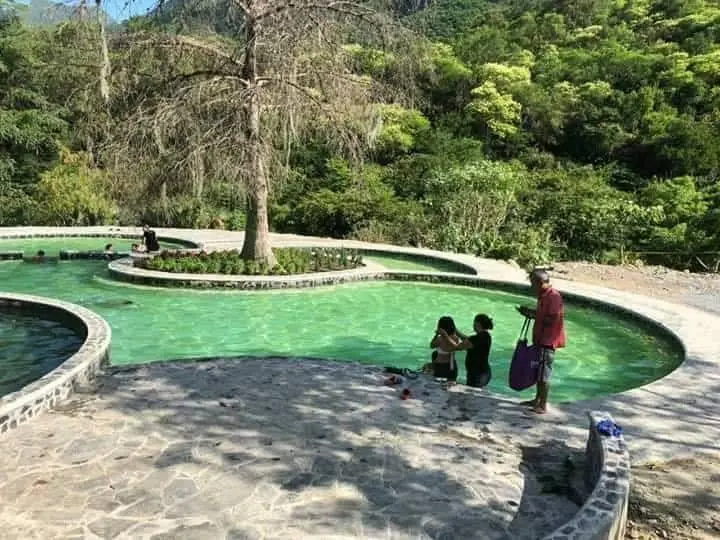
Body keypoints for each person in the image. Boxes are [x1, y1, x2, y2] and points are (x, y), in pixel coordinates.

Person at [516, 269, 566, 414]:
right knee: (538, 372)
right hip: (541, 339)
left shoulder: (553, 297)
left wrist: (534, 315)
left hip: (548, 341)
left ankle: (543, 405)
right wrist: (530, 313)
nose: (531, 286)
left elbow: (551, 318)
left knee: (544, 374)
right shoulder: (544, 296)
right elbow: (543, 316)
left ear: (540, 282)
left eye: (532, 283)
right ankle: (537, 399)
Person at [450, 314, 494, 388]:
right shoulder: (486, 336)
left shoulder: (476, 339)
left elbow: (457, 347)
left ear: (477, 324)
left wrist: (445, 335)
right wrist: (455, 330)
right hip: (484, 372)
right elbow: (467, 339)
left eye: (474, 322)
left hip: (477, 375)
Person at [430, 316, 461, 384]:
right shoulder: (455, 338)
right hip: (452, 366)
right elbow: (453, 347)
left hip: (441, 366)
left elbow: (432, 346)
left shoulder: (440, 339)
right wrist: (438, 335)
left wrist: (437, 335)